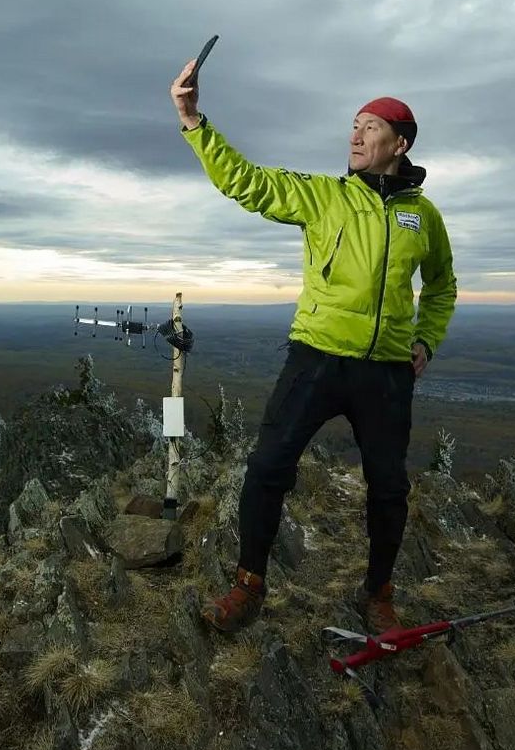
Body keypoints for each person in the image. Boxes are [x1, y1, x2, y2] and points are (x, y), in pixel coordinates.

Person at [169, 58, 457, 635]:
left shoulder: (422, 216)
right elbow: (244, 182)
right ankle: (249, 582)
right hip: (317, 357)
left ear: (399, 143)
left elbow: (442, 284)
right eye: (353, 125)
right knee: (268, 466)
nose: (355, 135)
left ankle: (378, 593)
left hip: (387, 373)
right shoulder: (323, 196)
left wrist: (427, 338)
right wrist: (193, 120)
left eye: (370, 127)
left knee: (389, 487)